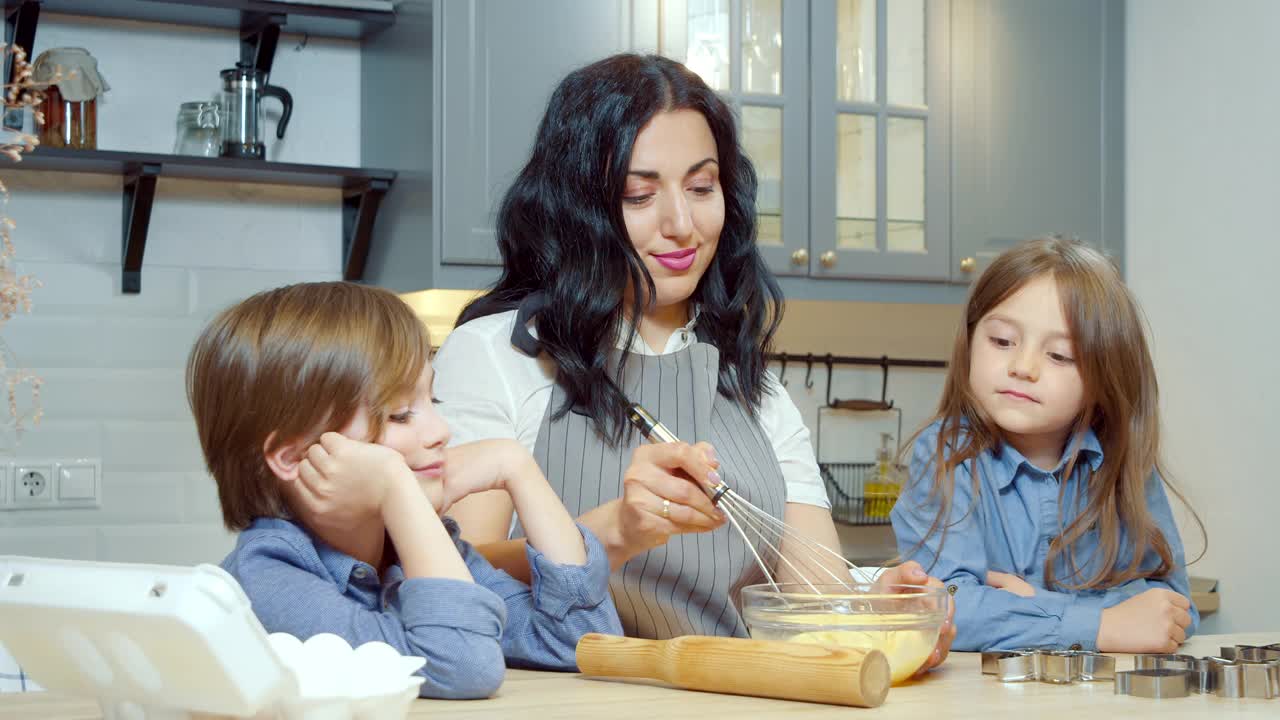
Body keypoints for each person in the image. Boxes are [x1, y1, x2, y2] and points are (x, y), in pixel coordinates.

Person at [430, 53, 954, 672]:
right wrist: (614, 532)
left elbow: (816, 597)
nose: (681, 224)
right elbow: (458, 574)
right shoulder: (498, 354)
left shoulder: (754, 386)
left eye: (702, 188)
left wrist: (877, 611)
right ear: (578, 209)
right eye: (639, 194)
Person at [186, 282, 621, 699]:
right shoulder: (267, 580)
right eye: (399, 415)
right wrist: (399, 490)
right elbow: (462, 665)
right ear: (293, 457)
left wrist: (518, 466)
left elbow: (582, 642)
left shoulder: (409, 555)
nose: (441, 431)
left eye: (434, 402)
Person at [891, 236, 1203, 653]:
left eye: (1059, 355)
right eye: (1002, 342)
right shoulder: (947, 453)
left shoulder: (1122, 462)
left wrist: (1033, 605)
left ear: (1103, 377)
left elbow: (1172, 612)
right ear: (970, 342)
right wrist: (1102, 625)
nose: (1022, 367)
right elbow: (939, 608)